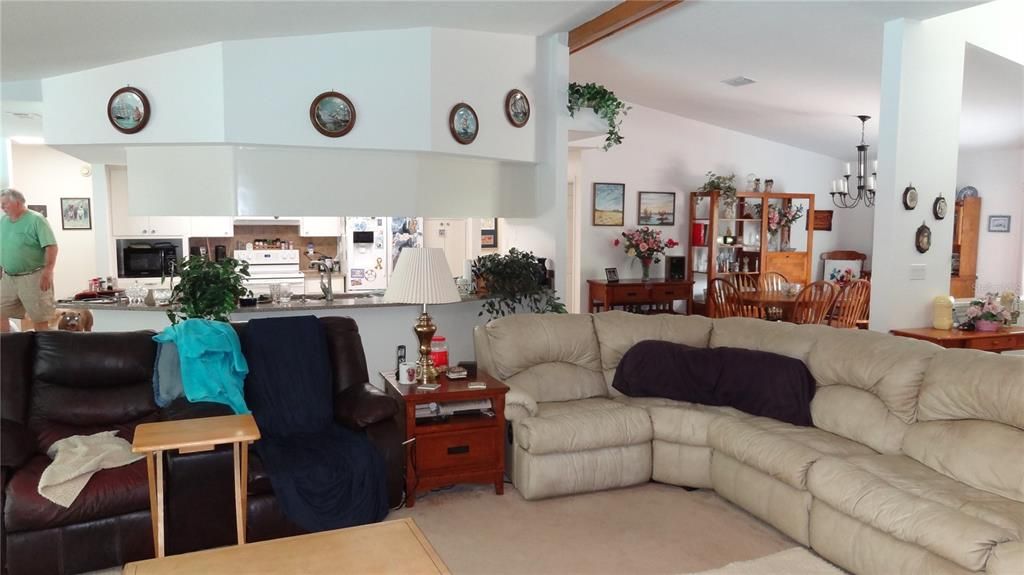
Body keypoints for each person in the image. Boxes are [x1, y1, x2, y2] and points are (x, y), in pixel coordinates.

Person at [1, 188, 58, 332]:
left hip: (33, 277)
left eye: (4, 204)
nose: (1, 207)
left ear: (18, 202)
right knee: (0, 312)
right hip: (8, 278)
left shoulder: (36, 219)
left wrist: (48, 271)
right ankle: (5, 350)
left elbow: (51, 246)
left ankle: (43, 352)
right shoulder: (3, 221)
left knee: (39, 317)